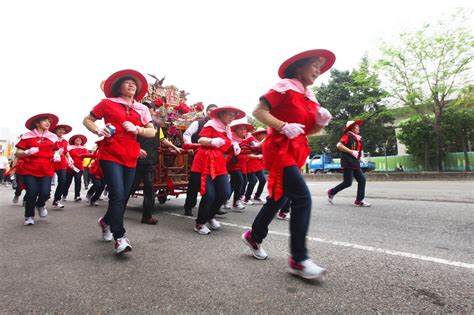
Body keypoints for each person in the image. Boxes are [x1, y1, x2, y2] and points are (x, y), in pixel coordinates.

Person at [242, 49, 334, 280]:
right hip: (278, 148)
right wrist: (282, 126)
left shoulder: (310, 97)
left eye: (320, 66)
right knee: (302, 198)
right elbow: (258, 111)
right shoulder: (284, 86)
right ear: (299, 67)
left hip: (296, 150)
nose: (318, 70)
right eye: (315, 64)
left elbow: (308, 130)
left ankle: (254, 235)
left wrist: (320, 123)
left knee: (280, 197)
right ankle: (299, 259)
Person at [83, 69, 156, 254]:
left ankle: (106, 221)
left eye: (134, 83)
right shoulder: (107, 103)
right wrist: (98, 130)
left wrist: (138, 129)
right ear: (118, 86)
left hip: (130, 153)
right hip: (111, 152)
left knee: (123, 196)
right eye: (127, 82)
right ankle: (120, 237)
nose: (132, 84)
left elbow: (152, 132)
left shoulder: (143, 108)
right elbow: (87, 119)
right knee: (117, 193)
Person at [126, 101, 182, 225]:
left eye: (151, 108)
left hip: (151, 160)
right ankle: (118, 209)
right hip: (135, 160)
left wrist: (175, 146)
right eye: (146, 107)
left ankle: (147, 216)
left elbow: (162, 139)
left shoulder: (156, 125)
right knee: (130, 187)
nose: (150, 110)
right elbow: (127, 140)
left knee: (149, 188)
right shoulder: (135, 122)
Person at [191, 106, 245, 235]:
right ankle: (200, 223)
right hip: (205, 162)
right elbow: (201, 140)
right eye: (230, 114)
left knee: (225, 193)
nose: (232, 117)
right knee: (209, 194)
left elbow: (229, 143)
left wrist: (235, 145)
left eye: (234, 115)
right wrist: (211, 141)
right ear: (221, 114)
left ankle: (210, 216)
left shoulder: (227, 129)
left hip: (219, 163)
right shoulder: (211, 124)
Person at [15, 113, 60, 225]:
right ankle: (29, 216)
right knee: (32, 193)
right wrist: (27, 152)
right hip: (30, 168)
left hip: (46, 169)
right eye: (45, 120)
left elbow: (56, 150)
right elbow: (18, 152)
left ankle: (40, 204)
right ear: (37, 123)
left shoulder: (53, 137)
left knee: (45, 193)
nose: (48, 123)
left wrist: (57, 154)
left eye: (49, 121)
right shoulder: (27, 136)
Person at [182, 104, 218, 216]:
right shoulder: (199, 123)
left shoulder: (219, 125)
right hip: (199, 155)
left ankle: (214, 207)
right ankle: (189, 206)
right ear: (207, 112)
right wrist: (190, 146)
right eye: (213, 111)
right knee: (195, 181)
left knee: (215, 182)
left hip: (214, 158)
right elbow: (187, 134)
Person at [327, 120, 371, 207]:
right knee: (348, 182)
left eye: (358, 126)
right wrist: (351, 152)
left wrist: (360, 157)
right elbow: (339, 145)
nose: (358, 127)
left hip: (354, 162)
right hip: (348, 162)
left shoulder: (356, 138)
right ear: (352, 128)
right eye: (356, 126)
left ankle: (359, 200)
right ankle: (331, 192)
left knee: (362, 180)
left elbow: (356, 151)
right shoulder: (348, 136)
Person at [226, 121, 255, 211]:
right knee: (240, 180)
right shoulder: (230, 137)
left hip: (242, 164)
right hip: (233, 163)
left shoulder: (245, 139)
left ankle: (227, 200)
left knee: (236, 182)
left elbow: (253, 147)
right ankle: (235, 201)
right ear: (235, 130)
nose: (243, 130)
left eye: (245, 129)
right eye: (241, 128)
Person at [51, 124, 73, 209]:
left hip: (61, 162)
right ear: (55, 130)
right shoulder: (50, 138)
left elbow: (66, 151)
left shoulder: (65, 141)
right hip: (51, 161)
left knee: (63, 181)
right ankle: (41, 197)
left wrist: (69, 157)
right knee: (45, 181)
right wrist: (54, 153)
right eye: (59, 129)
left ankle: (56, 200)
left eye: (63, 130)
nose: (61, 131)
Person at [63, 134, 90, 202]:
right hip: (70, 167)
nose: (78, 140)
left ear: (82, 142)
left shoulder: (84, 148)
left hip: (79, 167)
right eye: (76, 139)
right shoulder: (69, 147)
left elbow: (87, 155)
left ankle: (77, 196)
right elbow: (65, 155)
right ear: (74, 141)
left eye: (80, 139)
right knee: (67, 182)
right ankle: (64, 194)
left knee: (78, 181)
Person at [243, 127, 267, 204]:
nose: (264, 136)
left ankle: (257, 196)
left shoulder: (264, 143)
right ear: (257, 135)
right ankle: (246, 198)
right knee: (252, 181)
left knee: (263, 180)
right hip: (250, 163)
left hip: (259, 164)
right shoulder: (251, 140)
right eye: (262, 134)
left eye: (265, 134)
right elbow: (253, 148)